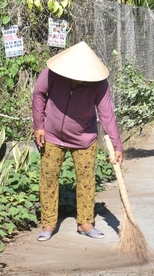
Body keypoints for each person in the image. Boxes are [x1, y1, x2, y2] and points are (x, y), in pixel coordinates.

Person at [32, 41, 124, 242]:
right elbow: (39, 93)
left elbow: (106, 114)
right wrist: (38, 124)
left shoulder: (99, 83)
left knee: (85, 180)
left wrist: (117, 145)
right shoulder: (53, 72)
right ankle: (48, 223)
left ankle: (85, 223)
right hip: (52, 135)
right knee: (48, 177)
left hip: (84, 138)